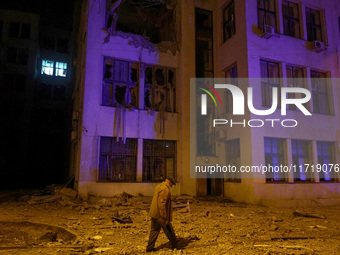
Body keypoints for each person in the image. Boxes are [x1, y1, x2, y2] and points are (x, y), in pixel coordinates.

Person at [146, 177, 177, 252]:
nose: (171, 186)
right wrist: (164, 217)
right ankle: (175, 246)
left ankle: (149, 248)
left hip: (154, 213)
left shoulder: (158, 186)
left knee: (154, 231)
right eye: (172, 184)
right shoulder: (165, 189)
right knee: (169, 230)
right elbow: (162, 204)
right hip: (160, 215)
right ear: (169, 182)